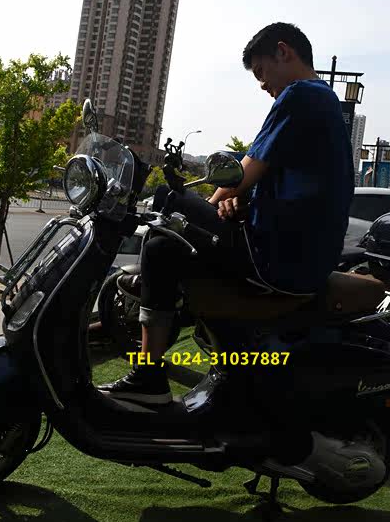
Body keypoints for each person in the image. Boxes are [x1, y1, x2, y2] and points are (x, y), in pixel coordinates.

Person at [101, 22, 355, 405]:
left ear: (283, 52)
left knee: (168, 202)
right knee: (161, 247)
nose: (262, 85)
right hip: (297, 256)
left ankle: (149, 371)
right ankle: (149, 375)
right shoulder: (322, 102)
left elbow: (242, 174)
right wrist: (226, 204)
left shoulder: (302, 95)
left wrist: (204, 210)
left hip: (277, 258)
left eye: (261, 72)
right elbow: (252, 173)